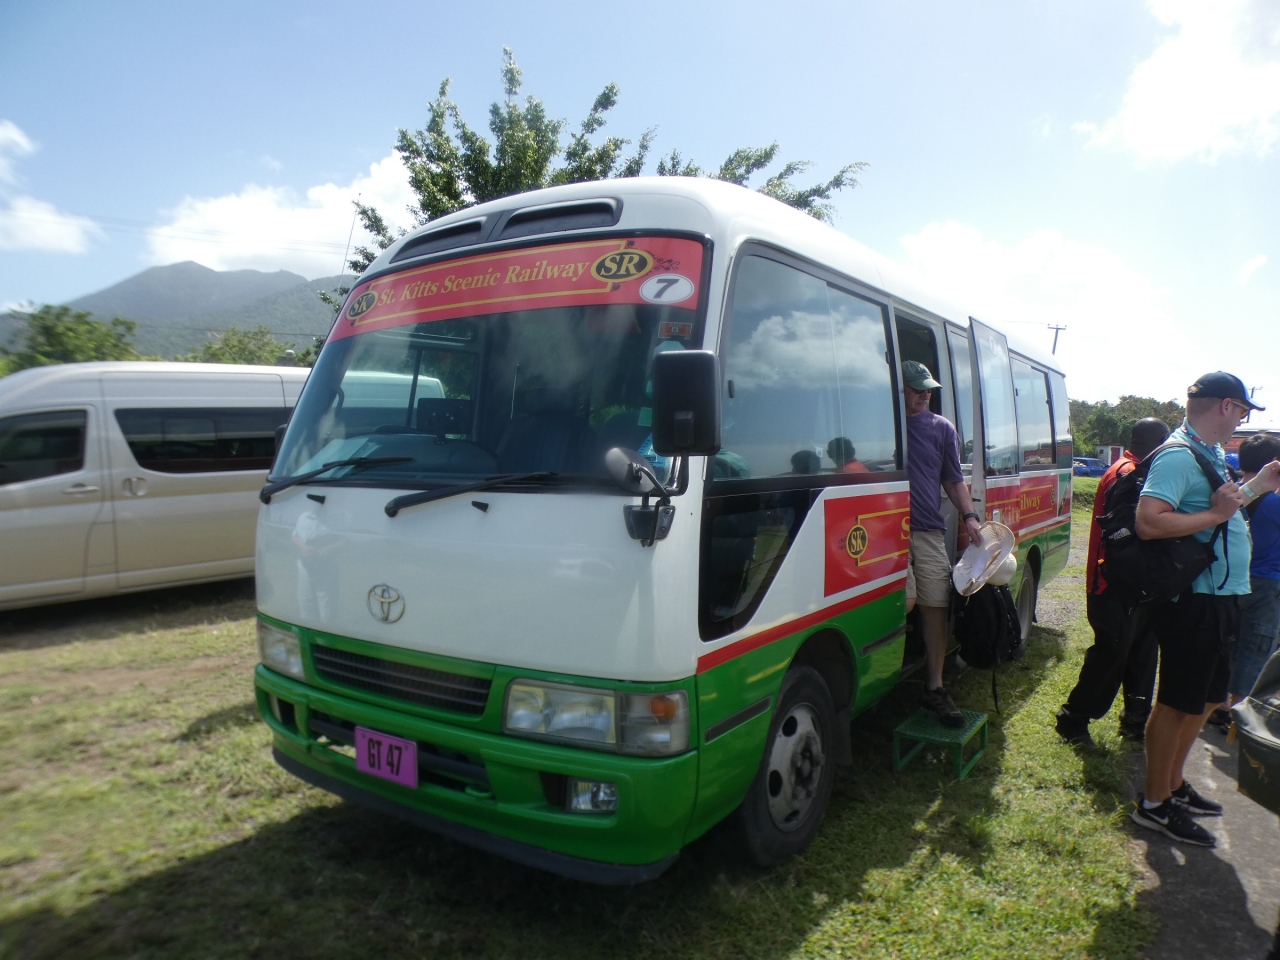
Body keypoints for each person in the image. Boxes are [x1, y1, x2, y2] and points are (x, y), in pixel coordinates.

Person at [1130, 372, 1280, 846]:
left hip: (1222, 595)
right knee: (1176, 701)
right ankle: (1154, 802)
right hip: (1195, 599)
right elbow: (1149, 522)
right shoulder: (1179, 455)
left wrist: (1257, 485)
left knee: (1208, 698)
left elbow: (1225, 509)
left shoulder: (1208, 452)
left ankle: (1172, 785)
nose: (1242, 419)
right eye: (1241, 410)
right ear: (1225, 407)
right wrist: (1217, 514)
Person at [1055, 418, 1170, 747]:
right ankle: (1073, 719)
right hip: (1113, 584)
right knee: (1112, 652)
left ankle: (1135, 719)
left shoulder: (1132, 470)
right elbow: (1128, 534)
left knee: (1143, 649)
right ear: (1154, 443)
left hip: (1136, 585)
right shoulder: (1127, 474)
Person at [901, 360, 984, 727]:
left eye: (927, 389)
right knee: (904, 601)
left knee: (936, 603)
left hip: (927, 530)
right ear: (898, 389)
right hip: (887, 531)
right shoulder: (883, 424)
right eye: (916, 388)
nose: (924, 394)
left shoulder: (940, 428)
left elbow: (953, 480)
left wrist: (970, 518)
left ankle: (933, 685)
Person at [1227, 432, 1280, 705]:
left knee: (1232, 644)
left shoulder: (1232, 492)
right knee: (1257, 649)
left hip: (1235, 579)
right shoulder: (1273, 502)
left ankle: (1221, 703)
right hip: (1266, 584)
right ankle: (1238, 711)